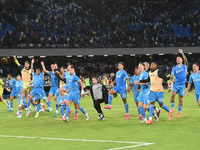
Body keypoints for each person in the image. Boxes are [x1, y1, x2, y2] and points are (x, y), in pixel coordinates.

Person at [169, 49, 188, 120]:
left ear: (182, 60)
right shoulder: (174, 68)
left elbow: (186, 60)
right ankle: (172, 108)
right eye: (177, 59)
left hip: (182, 85)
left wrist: (182, 53)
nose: (177, 60)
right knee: (172, 95)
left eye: (179, 59)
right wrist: (172, 79)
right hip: (176, 84)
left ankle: (179, 111)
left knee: (180, 99)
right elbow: (172, 75)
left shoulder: (184, 66)